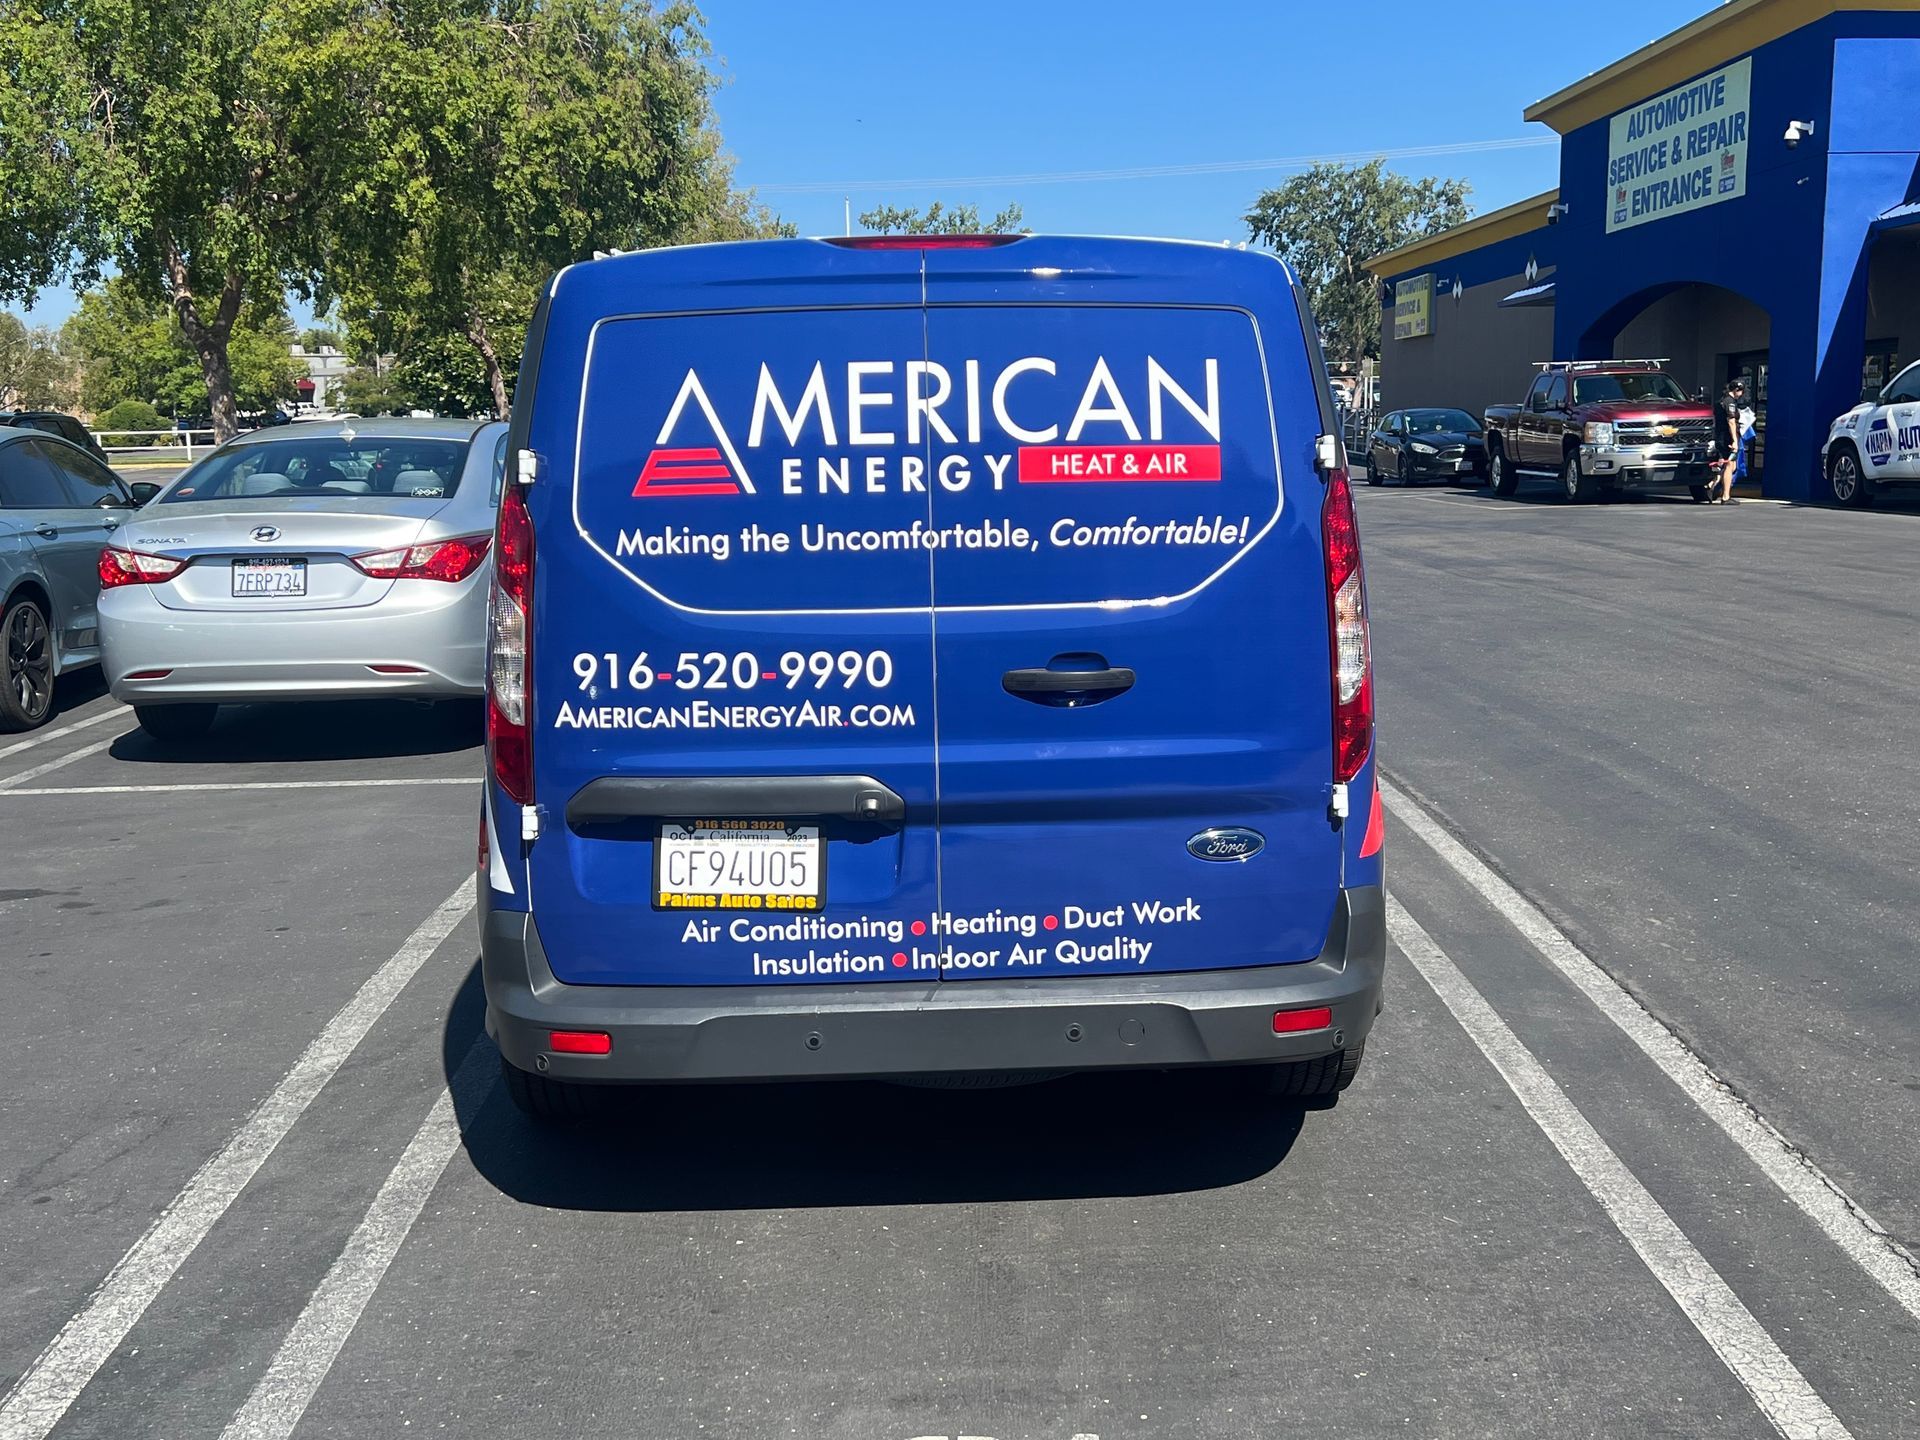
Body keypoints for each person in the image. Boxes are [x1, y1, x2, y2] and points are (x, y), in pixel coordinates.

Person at [1711, 378, 1745, 504]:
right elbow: (1731, 422)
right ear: (1737, 390)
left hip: (1720, 435)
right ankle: (1725, 496)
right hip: (1727, 437)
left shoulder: (1720, 401)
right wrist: (1735, 440)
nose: (1741, 394)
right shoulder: (1730, 402)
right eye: (1741, 391)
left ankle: (1711, 485)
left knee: (1730, 465)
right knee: (1729, 465)